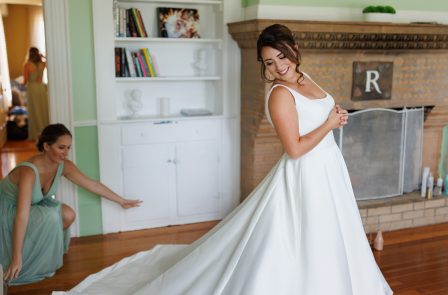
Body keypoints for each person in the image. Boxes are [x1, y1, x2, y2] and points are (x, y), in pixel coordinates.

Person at [53, 25, 392, 294]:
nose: (277, 67)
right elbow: (295, 149)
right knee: (302, 239)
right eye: (269, 62)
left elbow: (318, 117)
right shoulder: (280, 95)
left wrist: (335, 116)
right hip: (304, 173)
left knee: (332, 235)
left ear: (294, 50)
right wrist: (331, 124)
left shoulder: (305, 78)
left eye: (281, 57)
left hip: (328, 168)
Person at [1, 123, 142, 285]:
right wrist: (16, 257)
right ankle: (23, 257)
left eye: (68, 148)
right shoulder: (28, 171)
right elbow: (22, 214)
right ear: (46, 146)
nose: (66, 153)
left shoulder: (63, 166)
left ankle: (43, 251)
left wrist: (121, 201)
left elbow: (92, 184)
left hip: (30, 206)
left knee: (68, 215)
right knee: (50, 216)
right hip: (7, 209)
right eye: (61, 147)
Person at [23, 47, 49, 140]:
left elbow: (25, 81)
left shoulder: (27, 65)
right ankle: (46, 132)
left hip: (32, 88)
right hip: (41, 88)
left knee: (34, 111)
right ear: (38, 54)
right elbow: (50, 60)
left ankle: (37, 134)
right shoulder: (43, 63)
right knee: (43, 110)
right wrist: (44, 56)